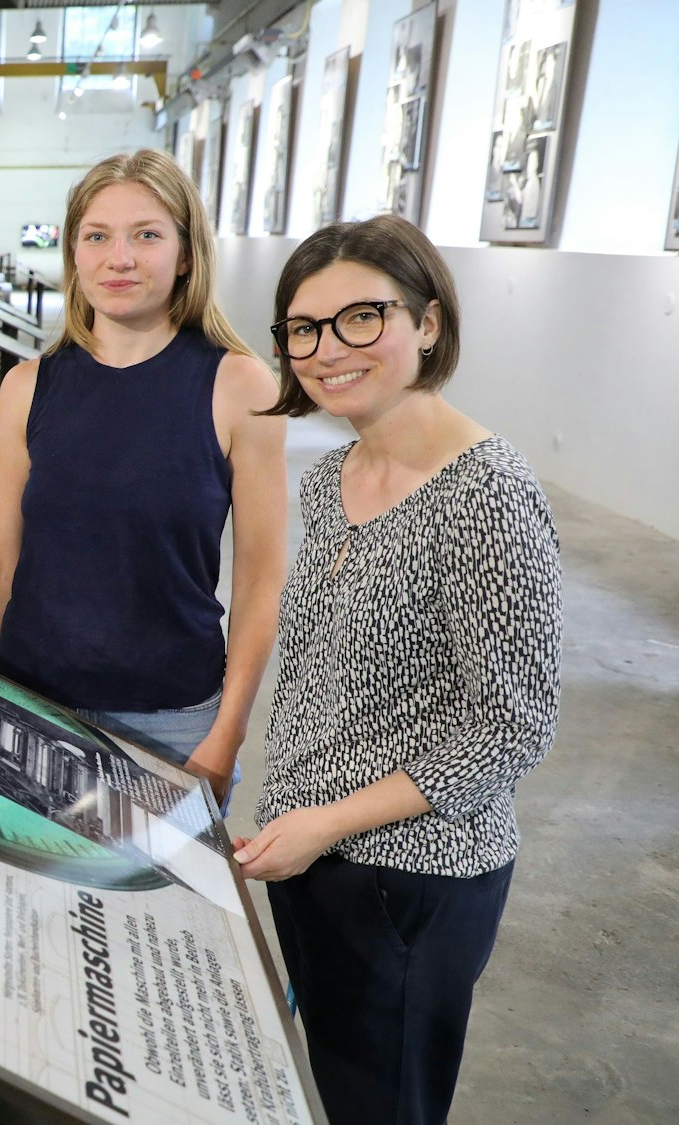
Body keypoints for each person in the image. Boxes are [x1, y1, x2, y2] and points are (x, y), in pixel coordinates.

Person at [234, 214, 562, 1124]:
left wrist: (324, 824)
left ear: (427, 322)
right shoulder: (331, 475)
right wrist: (294, 823)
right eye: (303, 328)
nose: (327, 349)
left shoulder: (485, 491)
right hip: (310, 856)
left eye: (361, 318)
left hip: (411, 879)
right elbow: (310, 674)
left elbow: (511, 726)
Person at [0, 149, 286, 811]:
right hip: (30, 710)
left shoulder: (238, 387)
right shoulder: (28, 388)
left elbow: (260, 581)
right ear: (74, 253)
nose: (120, 258)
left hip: (171, 723)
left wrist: (227, 735)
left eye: (147, 234)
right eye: (98, 236)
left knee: (151, 916)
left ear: (187, 253)